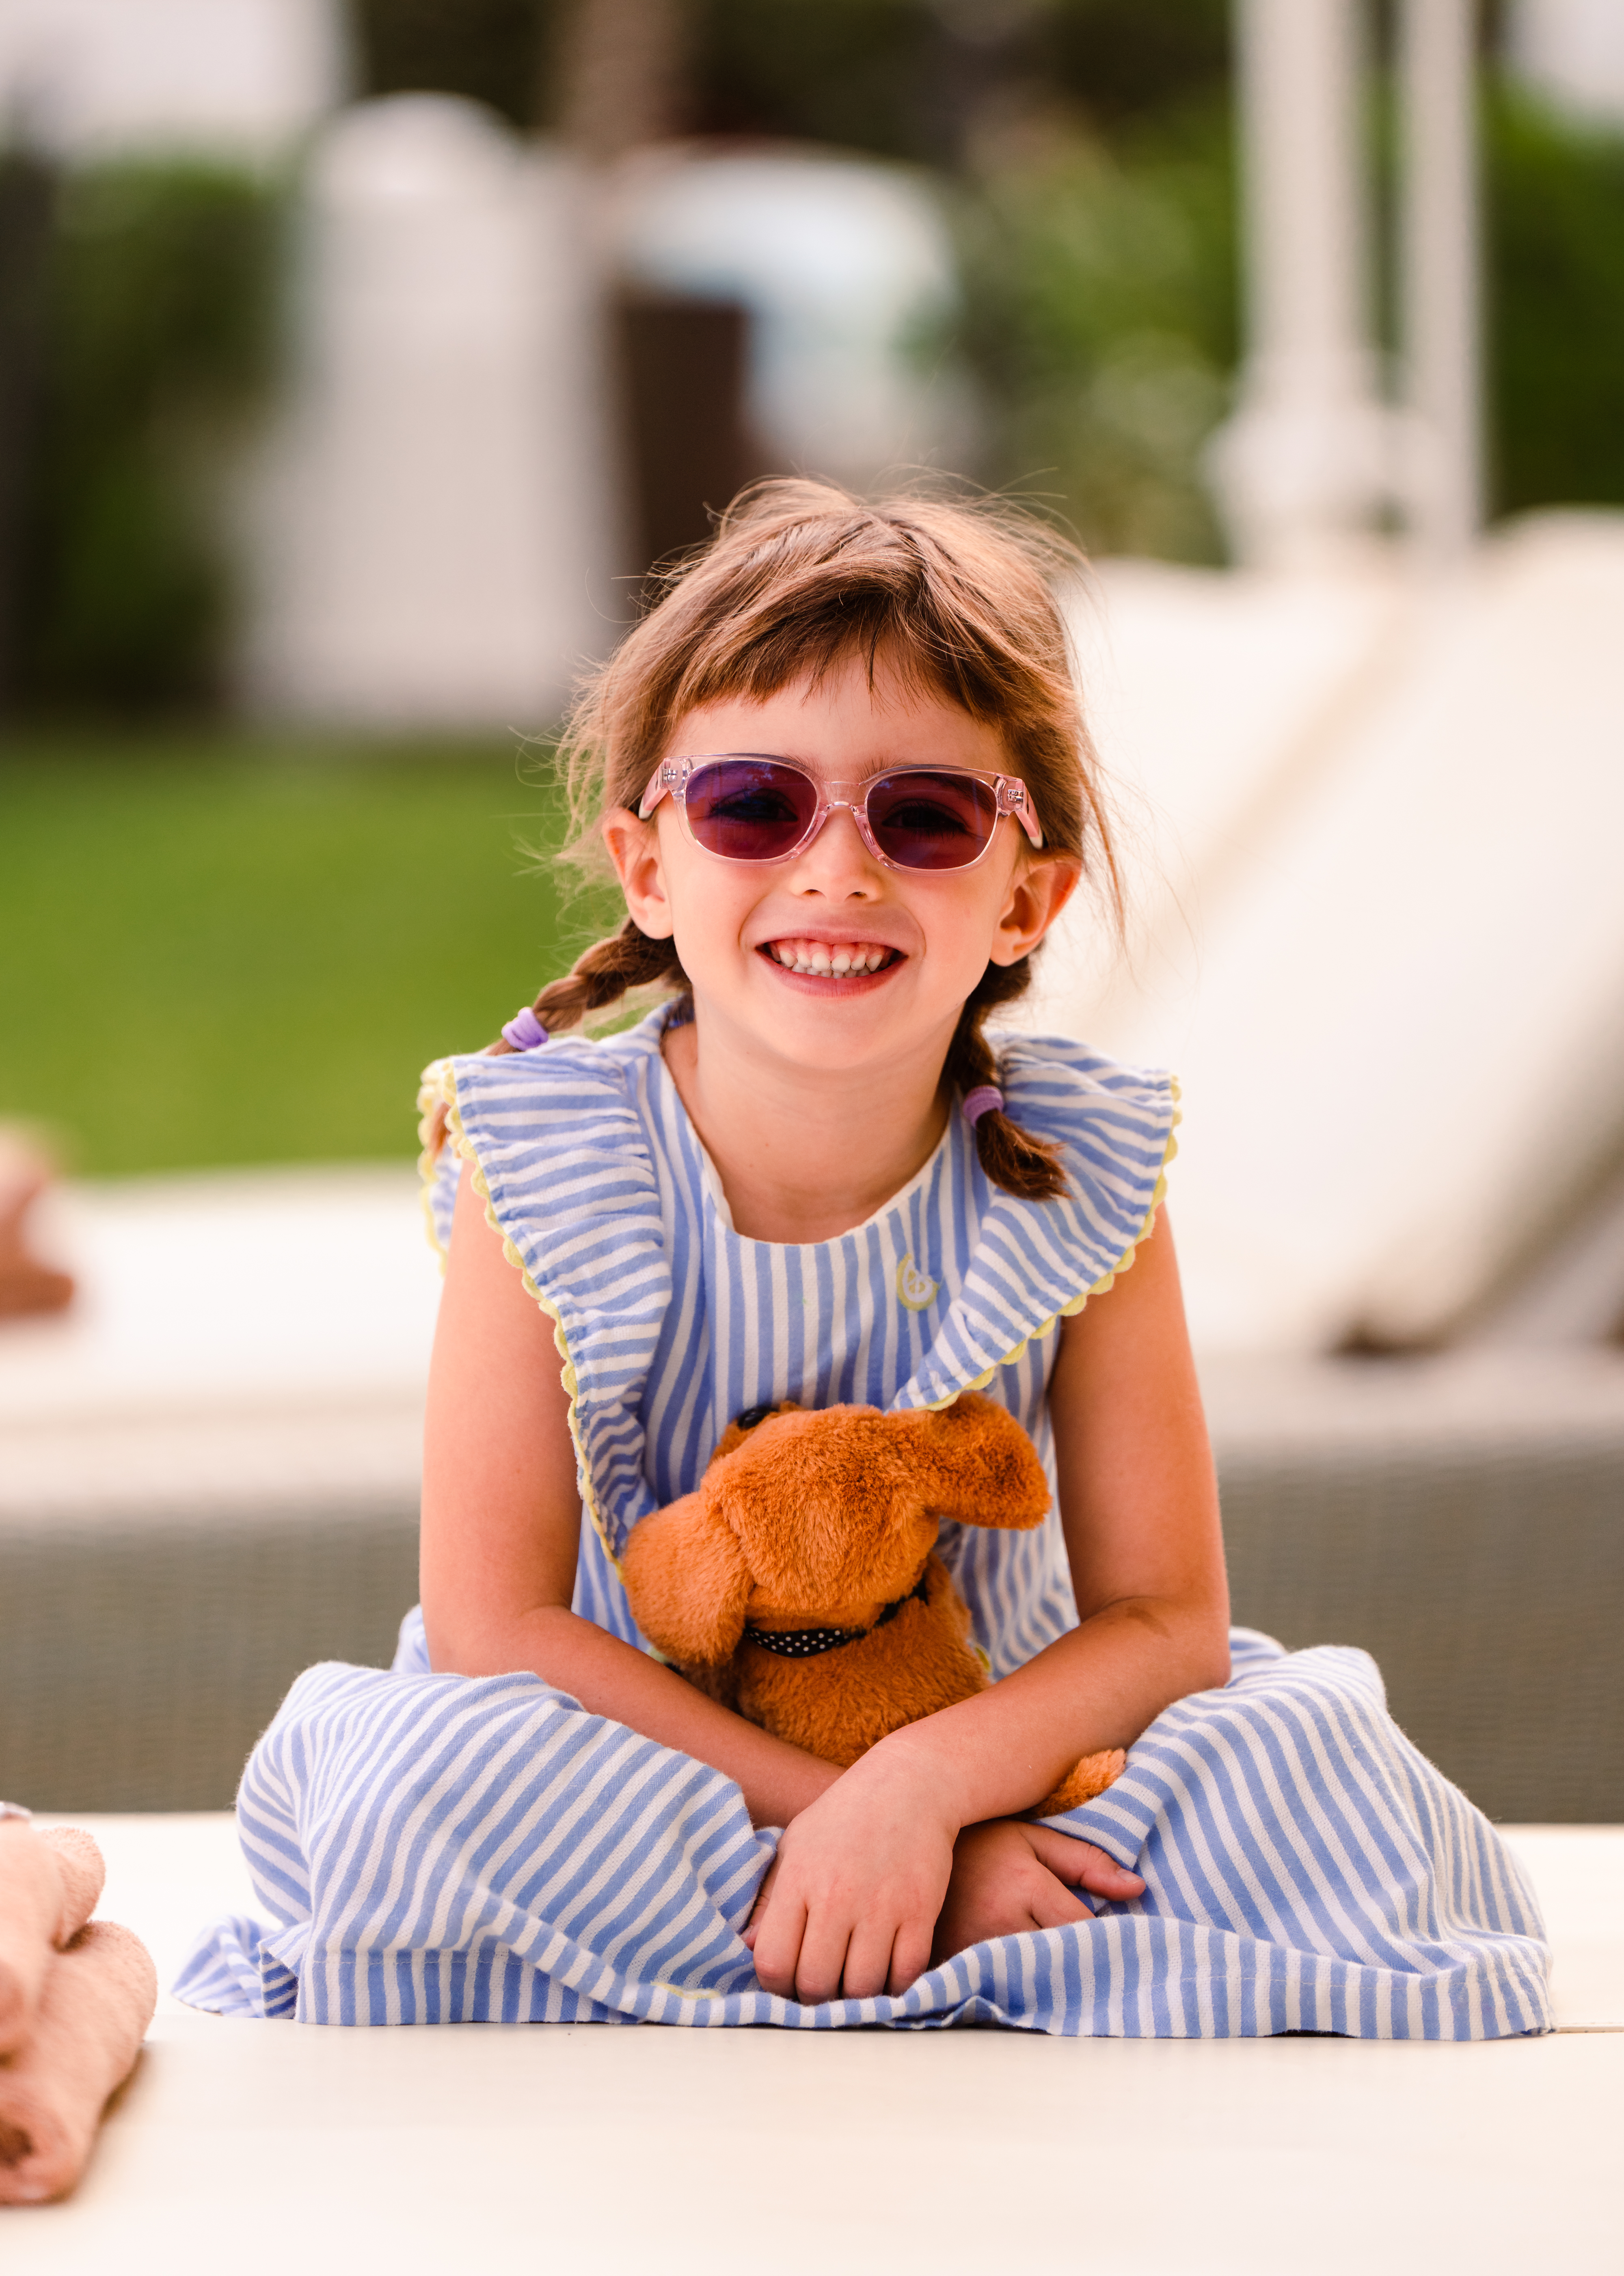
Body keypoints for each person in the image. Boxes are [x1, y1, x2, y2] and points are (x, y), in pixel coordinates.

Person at [180, 482, 1548, 2036]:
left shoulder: (1086, 1167)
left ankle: (850, 1919)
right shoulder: (540, 1152)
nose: (839, 871)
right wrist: (863, 1825)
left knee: (1321, 1757)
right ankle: (931, 1919)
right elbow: (500, 1630)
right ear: (648, 869)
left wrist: (931, 1787)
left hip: (995, 1749)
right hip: (632, 1764)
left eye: (927, 817)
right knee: (425, 1779)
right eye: (756, 805)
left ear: (1026, 896)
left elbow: (1165, 1618)